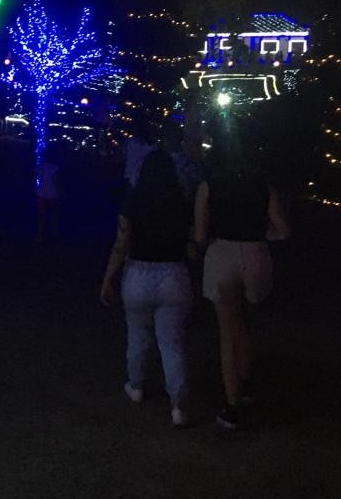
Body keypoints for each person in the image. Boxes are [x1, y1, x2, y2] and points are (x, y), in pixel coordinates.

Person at [193, 135, 290, 429]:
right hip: (256, 253)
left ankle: (231, 403)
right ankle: (246, 382)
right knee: (247, 321)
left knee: (227, 331)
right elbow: (283, 230)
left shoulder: (209, 187)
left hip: (222, 252)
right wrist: (261, 237)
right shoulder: (263, 186)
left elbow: (200, 236)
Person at [101, 149, 193, 427]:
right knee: (171, 342)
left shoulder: (133, 202)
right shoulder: (181, 202)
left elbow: (121, 245)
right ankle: (178, 405)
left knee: (138, 334)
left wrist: (108, 278)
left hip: (138, 273)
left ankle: (137, 385)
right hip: (174, 274)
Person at [35, 145, 63, 242]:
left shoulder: (40, 167)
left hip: (41, 192)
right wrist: (60, 191)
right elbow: (57, 181)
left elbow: (36, 177)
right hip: (52, 193)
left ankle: (40, 233)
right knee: (54, 214)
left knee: (41, 215)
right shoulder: (55, 168)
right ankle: (54, 233)